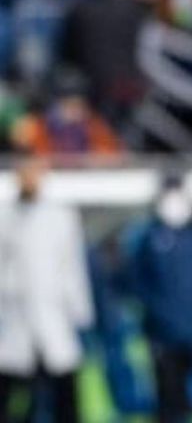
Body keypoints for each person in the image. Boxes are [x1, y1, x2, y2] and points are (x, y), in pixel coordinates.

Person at [0, 157, 94, 422]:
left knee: (64, 394)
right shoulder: (5, 216)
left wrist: (80, 311)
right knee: (12, 397)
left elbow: (72, 267)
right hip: (15, 318)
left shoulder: (60, 217)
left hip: (53, 315)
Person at [123, 173, 192, 423]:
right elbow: (137, 282)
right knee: (167, 395)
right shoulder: (147, 238)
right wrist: (158, 316)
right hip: (161, 334)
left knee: (191, 396)